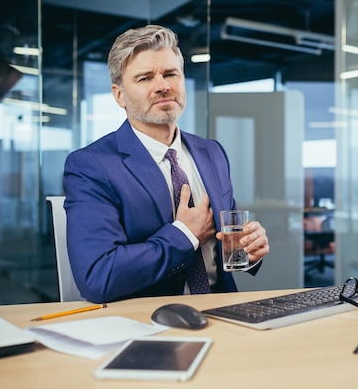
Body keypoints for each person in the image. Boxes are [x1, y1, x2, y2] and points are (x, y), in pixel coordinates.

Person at [63, 24, 269, 303]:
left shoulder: (212, 152)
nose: (163, 86)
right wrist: (185, 234)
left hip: (225, 311)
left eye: (171, 74)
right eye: (145, 78)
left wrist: (248, 250)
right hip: (149, 323)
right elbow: (99, 277)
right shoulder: (92, 166)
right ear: (119, 95)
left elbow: (227, 250)